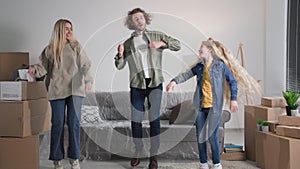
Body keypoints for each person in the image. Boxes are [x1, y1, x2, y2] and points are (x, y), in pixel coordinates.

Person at [114, 8, 181, 169]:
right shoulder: (128, 43)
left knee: (154, 120)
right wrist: (120, 54)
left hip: (155, 83)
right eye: (135, 18)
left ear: (145, 19)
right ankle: (138, 151)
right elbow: (120, 65)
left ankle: (153, 155)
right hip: (137, 85)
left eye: (141, 17)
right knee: (136, 120)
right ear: (131, 23)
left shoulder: (157, 35)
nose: (139, 20)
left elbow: (177, 45)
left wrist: (161, 43)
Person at [28, 19, 93, 169]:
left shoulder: (76, 47)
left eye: (71, 29)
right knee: (57, 124)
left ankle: (74, 158)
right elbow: (42, 68)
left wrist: (89, 81)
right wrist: (34, 70)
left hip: (75, 90)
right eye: (66, 29)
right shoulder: (50, 49)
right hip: (57, 89)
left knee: (74, 124)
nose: (69, 31)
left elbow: (86, 64)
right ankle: (57, 160)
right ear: (58, 31)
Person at [166, 38, 238, 169]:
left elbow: (232, 81)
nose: (199, 50)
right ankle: (203, 163)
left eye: (201, 48)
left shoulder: (220, 65)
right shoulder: (199, 67)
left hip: (214, 108)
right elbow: (186, 75)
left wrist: (234, 99)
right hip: (200, 107)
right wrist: (174, 81)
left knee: (212, 137)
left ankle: (216, 164)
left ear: (209, 50)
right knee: (200, 136)